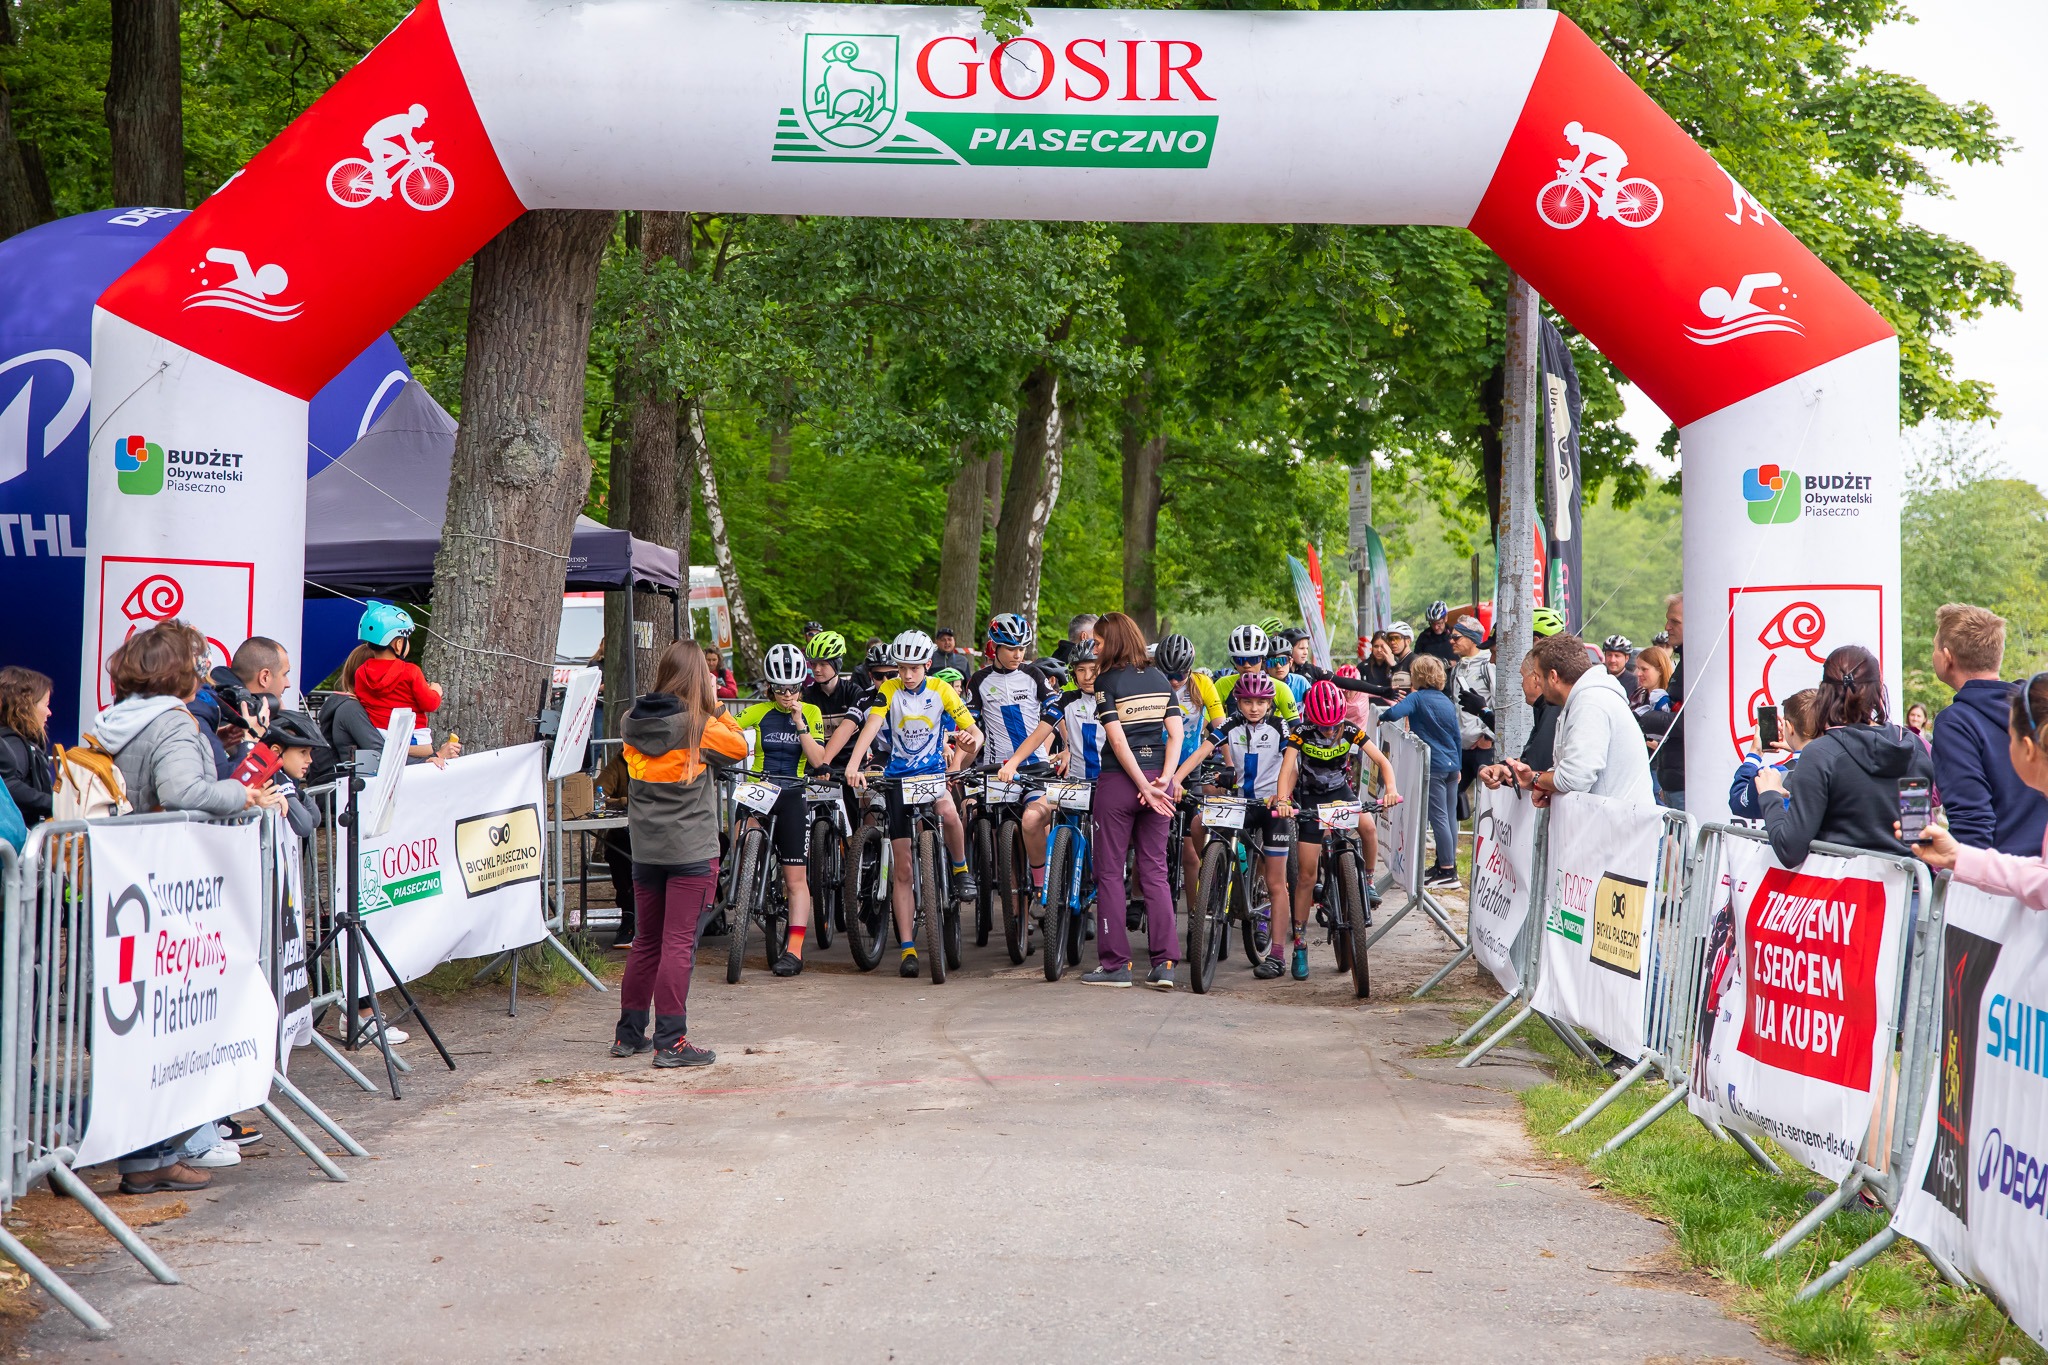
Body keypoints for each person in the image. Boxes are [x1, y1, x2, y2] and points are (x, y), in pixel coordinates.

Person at [87, 622, 284, 1194]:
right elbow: (182, 792)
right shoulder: (171, 720)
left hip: (130, 886)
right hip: (163, 888)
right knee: (164, 1026)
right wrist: (243, 793)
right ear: (178, 671)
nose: (204, 672)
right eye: (196, 663)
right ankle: (152, 1155)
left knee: (139, 1025)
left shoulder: (118, 717)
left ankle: (142, 1152)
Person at [616, 640, 748, 1066]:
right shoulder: (700, 724)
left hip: (646, 850)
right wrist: (717, 705)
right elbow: (740, 746)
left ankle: (628, 1035)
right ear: (697, 678)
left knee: (646, 941)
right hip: (690, 850)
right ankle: (671, 1041)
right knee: (678, 944)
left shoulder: (630, 721)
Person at [845, 630, 982, 978]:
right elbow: (871, 725)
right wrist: (853, 765)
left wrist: (969, 743)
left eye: (914, 668)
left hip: (932, 774)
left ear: (927, 664)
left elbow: (974, 732)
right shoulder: (889, 690)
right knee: (903, 868)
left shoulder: (942, 689)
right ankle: (907, 947)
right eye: (902, 668)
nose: (906, 675)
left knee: (948, 810)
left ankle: (961, 869)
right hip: (898, 779)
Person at [1755, 645, 1934, 864]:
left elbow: (1789, 849)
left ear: (1824, 692)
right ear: (1878, 690)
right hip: (1905, 882)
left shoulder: (1821, 755)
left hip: (1843, 883)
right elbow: (1916, 836)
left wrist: (1770, 796)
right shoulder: (1913, 747)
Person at [1080, 612, 1183, 989]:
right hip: (1158, 781)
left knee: (1109, 872)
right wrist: (1164, 781)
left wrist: (1142, 783)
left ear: (1114, 641)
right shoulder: (1159, 678)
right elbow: (1176, 734)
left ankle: (1116, 965)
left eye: (1099, 642)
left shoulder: (1106, 681)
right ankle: (1165, 964)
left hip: (1120, 783)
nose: (1095, 649)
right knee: (1155, 871)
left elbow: (1118, 740)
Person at [1271, 680, 1399, 976]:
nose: (1329, 732)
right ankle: (1300, 943)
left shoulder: (1351, 730)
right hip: (1311, 797)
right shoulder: (1301, 733)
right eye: (1323, 727)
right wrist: (1283, 799)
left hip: (1340, 792)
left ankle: (1368, 881)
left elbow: (1382, 761)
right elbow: (1287, 769)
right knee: (1306, 876)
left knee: (1368, 827)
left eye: (1334, 726)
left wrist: (1391, 789)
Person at [1173, 670, 1291, 954]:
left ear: (1270, 703)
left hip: (1270, 804)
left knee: (1276, 882)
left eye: (1260, 702)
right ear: (1238, 702)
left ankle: (1276, 953)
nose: (1254, 708)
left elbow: (1292, 764)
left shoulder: (1280, 726)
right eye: (1248, 702)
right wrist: (1175, 779)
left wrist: (1283, 796)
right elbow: (1201, 752)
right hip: (1240, 802)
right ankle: (1214, 872)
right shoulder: (1231, 724)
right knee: (1199, 823)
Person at [733, 644, 830, 977]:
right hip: (759, 788)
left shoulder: (811, 712)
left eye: (793, 688)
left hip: (792, 792)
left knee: (795, 878)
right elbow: (726, 729)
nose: (787, 695)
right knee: (742, 836)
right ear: (769, 686)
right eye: (779, 688)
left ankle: (794, 950)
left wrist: (799, 721)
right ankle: (747, 882)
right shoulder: (758, 711)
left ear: (801, 685)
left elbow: (818, 760)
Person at [1913, 673, 2048, 910]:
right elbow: (2040, 880)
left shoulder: (1954, 722)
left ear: (2027, 748)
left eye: (2010, 739)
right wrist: (1958, 857)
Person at [1930, 603, 2048, 857]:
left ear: (1947, 657)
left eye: (1935, 647)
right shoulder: (2037, 708)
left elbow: (1971, 822)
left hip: (2000, 873)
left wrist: (1966, 871)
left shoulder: (1956, 723)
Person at [998, 637, 1104, 894]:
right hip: (1074, 784)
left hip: (1108, 785)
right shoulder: (1065, 700)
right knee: (1031, 819)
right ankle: (1040, 886)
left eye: (1093, 669)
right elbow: (1038, 734)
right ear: (1073, 673)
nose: (1087, 676)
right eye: (1081, 670)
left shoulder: (1116, 699)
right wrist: (1013, 763)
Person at [1503, 633, 1654, 807]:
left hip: (1616, 820)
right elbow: (1569, 770)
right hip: (1607, 817)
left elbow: (1575, 778)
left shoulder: (1591, 702)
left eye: (1538, 676)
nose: (1538, 684)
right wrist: (1544, 784)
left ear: (1553, 676)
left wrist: (1536, 778)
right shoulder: (1582, 700)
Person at [1379, 656, 1461, 887]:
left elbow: (1394, 713)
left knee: (1439, 818)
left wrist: (1381, 717)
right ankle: (1445, 863)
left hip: (1434, 766)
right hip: (1452, 764)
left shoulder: (1417, 698)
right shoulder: (1447, 701)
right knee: (1449, 817)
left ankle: (1447, 870)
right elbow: (1457, 736)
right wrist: (1459, 766)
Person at [963, 613, 1062, 778]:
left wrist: (1068, 749)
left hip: (1035, 763)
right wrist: (958, 765)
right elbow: (970, 725)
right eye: (1011, 649)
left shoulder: (1034, 674)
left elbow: (1058, 711)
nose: (1018, 655)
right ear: (995, 646)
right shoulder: (979, 680)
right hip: (996, 765)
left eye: (1022, 649)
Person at [351, 602, 444, 732]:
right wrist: (436, 691)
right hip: (411, 735)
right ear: (398, 644)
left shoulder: (361, 672)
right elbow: (430, 704)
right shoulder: (411, 671)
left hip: (376, 734)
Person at [1729, 688, 1817, 821]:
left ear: (1789, 727)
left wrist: (1754, 754)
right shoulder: (1842, 765)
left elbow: (1738, 802)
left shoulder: (1776, 775)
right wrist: (1797, 747)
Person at [801, 631, 866, 768]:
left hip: (850, 767)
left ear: (837, 664)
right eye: (813, 664)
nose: (816, 669)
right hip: (817, 767)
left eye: (823, 664)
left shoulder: (854, 692)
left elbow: (867, 730)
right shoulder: (807, 696)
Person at [0, 666, 54, 828]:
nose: (49, 712)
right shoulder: (14, 743)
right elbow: (8, 786)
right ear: (27, 706)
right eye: (46, 704)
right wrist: (54, 804)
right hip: (20, 837)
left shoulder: (19, 742)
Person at [1448, 618, 1494, 797]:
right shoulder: (1457, 668)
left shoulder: (1488, 665)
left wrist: (1488, 737)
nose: (1451, 641)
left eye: (1456, 637)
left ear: (1472, 638)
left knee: (1486, 801)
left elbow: (1499, 703)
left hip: (1483, 747)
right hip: (1461, 747)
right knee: (1452, 796)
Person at [1214, 625, 1298, 721]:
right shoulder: (1222, 684)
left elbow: (1294, 726)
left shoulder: (1281, 688)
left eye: (1253, 659)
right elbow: (1209, 722)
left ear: (1262, 659)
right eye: (1240, 660)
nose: (1247, 665)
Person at [1414, 601, 1458, 666]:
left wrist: (1450, 663)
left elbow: (1466, 657)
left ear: (1445, 618)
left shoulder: (1455, 634)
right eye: (1432, 623)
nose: (1436, 627)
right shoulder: (1424, 637)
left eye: (1439, 623)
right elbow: (1416, 660)